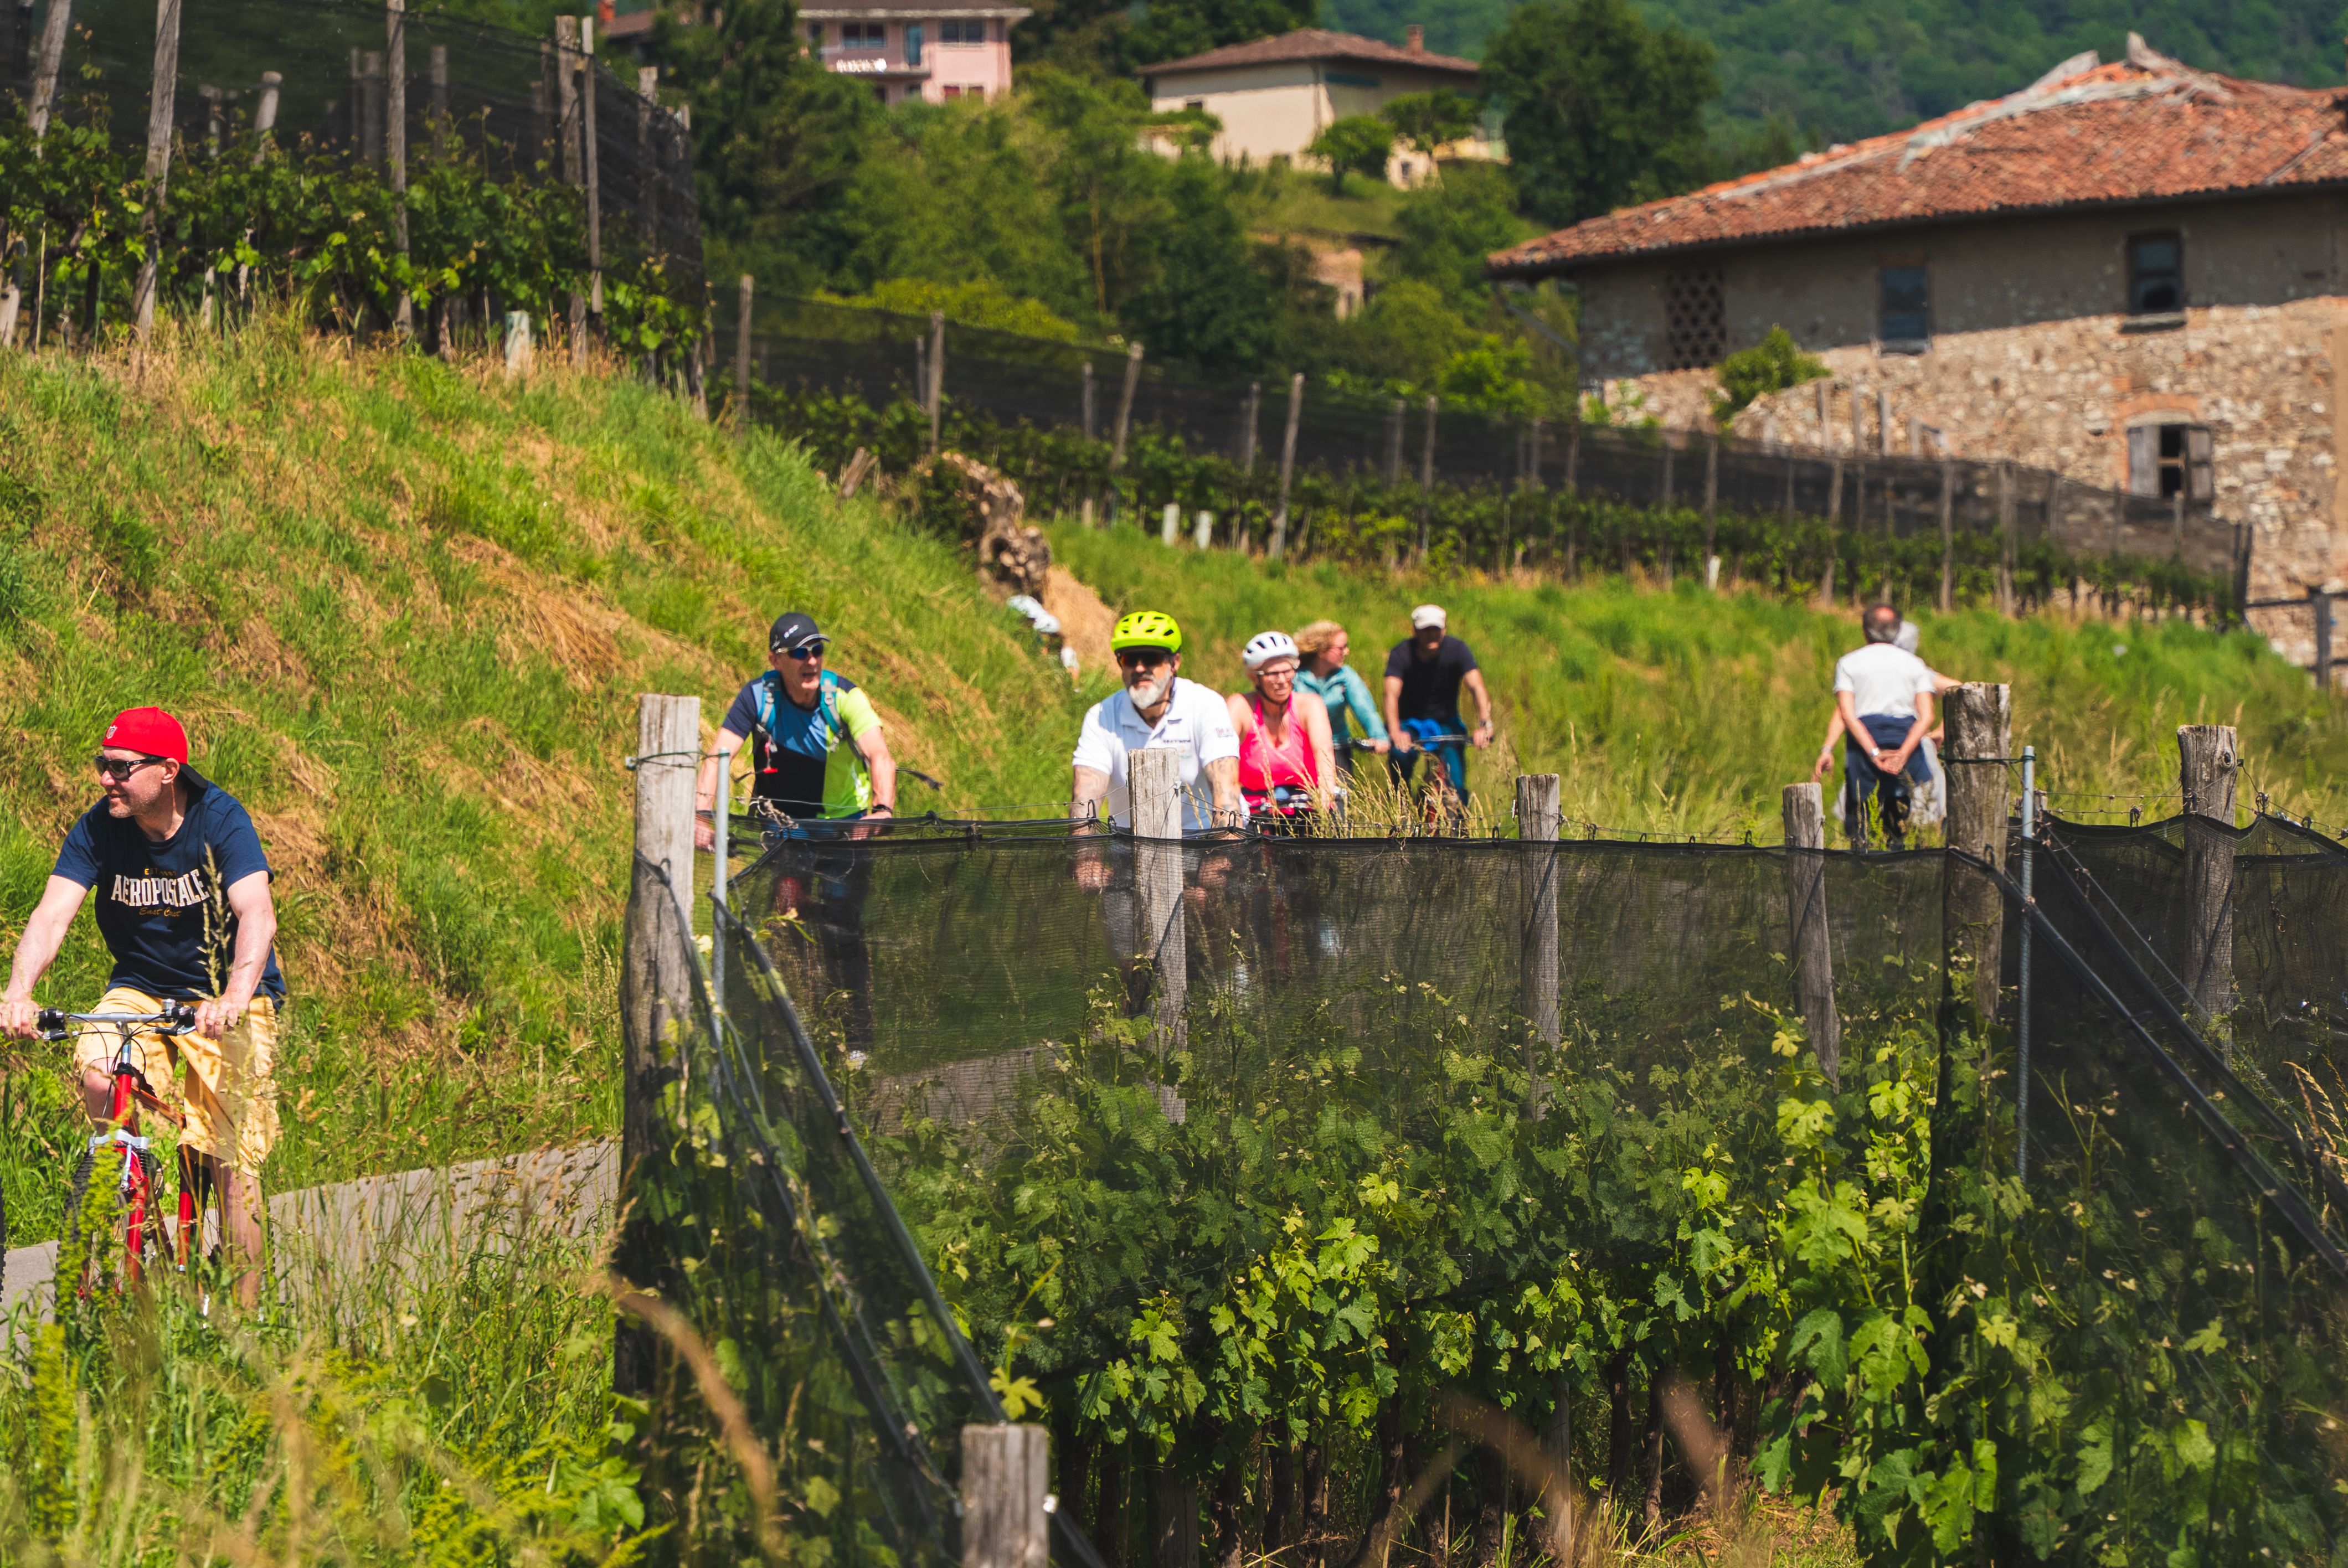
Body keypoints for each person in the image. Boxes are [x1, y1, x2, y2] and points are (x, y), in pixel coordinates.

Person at [0, 707, 284, 1309]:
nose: (106, 779)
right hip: (140, 987)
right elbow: (54, 915)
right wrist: (18, 992)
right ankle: (138, 1173)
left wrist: (234, 997)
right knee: (101, 1073)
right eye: (103, 766)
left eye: (121, 769)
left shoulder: (221, 819)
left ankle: (246, 1321)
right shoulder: (101, 827)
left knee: (234, 1170)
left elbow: (256, 912)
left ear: (168, 771)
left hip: (224, 997)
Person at [697, 610, 898, 844]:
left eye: (817, 650)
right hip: (783, 820)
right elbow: (717, 758)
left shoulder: (845, 697)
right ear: (775, 660)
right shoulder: (758, 697)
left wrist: (883, 810)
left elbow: (880, 754)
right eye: (800, 652)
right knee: (788, 880)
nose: (811, 661)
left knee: (842, 882)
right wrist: (700, 817)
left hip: (845, 821)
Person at [1072, 611, 1241, 842]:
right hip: (1128, 846)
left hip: (1203, 841)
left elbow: (1226, 791)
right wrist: (1086, 859)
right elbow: (1086, 796)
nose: (1140, 669)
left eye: (1150, 658)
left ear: (1175, 663)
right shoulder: (1101, 716)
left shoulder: (1206, 705)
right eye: (1130, 659)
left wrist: (1222, 858)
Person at [1811, 617, 1961, 831]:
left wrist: (1942, 732)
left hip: (1886, 752)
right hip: (1909, 751)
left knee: (1876, 821)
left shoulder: (1875, 669)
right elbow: (1958, 689)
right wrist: (1941, 732)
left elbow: (1843, 713)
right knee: (1906, 823)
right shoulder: (1913, 668)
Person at [1382, 605, 1494, 807]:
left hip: (1446, 723)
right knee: (1401, 760)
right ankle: (1400, 810)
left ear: (1444, 630)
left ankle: (1460, 826)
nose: (1431, 635)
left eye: (1436, 629)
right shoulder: (1402, 654)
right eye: (1426, 630)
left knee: (1456, 781)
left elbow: (1477, 686)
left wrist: (1485, 725)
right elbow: (1391, 693)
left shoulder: (1457, 650)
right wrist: (1395, 730)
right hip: (1409, 723)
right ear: (1415, 631)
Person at [1229, 631, 1337, 826]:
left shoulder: (1310, 705)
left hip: (1306, 813)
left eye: (1287, 671)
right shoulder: (1241, 706)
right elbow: (1224, 761)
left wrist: (1325, 800)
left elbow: (1326, 759)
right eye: (1272, 674)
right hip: (1254, 815)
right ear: (1255, 678)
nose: (1282, 680)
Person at [1294, 620, 1388, 771]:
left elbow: (1365, 709)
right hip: (1301, 748)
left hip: (1337, 746)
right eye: (1341, 648)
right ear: (1322, 651)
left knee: (1343, 793)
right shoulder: (1296, 677)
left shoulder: (1346, 676)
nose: (1347, 652)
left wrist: (1379, 737)